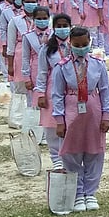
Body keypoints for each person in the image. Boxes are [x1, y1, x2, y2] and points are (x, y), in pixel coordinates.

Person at [50, 27, 109, 212]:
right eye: (77, 45)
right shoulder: (62, 66)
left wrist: (106, 115)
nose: (81, 48)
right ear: (70, 44)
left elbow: (105, 90)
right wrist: (59, 120)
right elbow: (57, 94)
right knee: (72, 153)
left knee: (95, 152)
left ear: (89, 42)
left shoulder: (98, 64)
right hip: (71, 110)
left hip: (93, 109)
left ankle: (90, 193)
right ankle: (77, 194)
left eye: (85, 45)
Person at [35, 13, 72, 170]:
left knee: (70, 124)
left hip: (71, 90)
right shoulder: (47, 48)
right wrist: (41, 94)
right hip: (52, 89)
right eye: (59, 26)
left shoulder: (75, 45)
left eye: (65, 26)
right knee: (52, 126)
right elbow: (42, 72)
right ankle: (56, 160)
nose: (62, 29)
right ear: (54, 28)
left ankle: (70, 158)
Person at [19, 5, 52, 144]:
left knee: (50, 101)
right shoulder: (28, 36)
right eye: (39, 18)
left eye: (45, 18)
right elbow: (25, 58)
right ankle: (38, 133)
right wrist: (26, 77)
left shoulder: (54, 35)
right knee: (37, 102)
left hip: (51, 72)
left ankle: (48, 130)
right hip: (34, 70)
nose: (42, 21)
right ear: (33, 19)